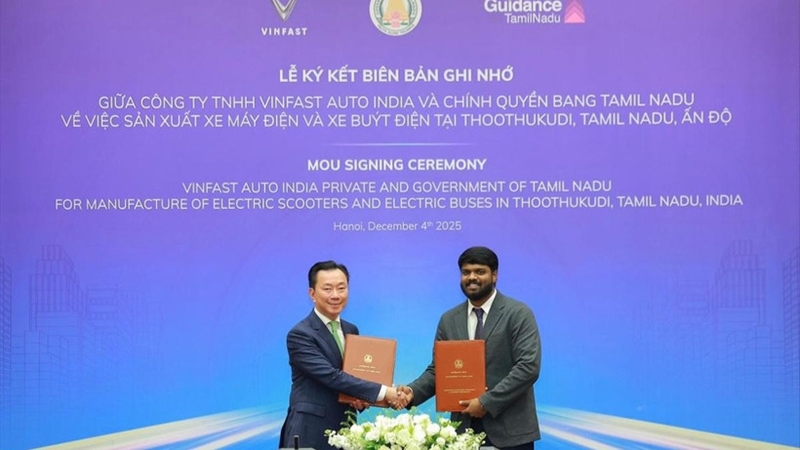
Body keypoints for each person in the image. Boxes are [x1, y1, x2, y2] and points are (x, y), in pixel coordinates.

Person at [399, 246, 542, 449]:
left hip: (511, 433)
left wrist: (486, 402)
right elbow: (439, 370)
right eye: (466, 272)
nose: (472, 277)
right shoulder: (449, 319)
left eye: (479, 271)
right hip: (463, 432)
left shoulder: (518, 313)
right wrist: (412, 392)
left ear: (494, 276)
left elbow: (528, 367)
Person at [280, 260, 402, 450]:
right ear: (312, 293)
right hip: (310, 432)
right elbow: (331, 376)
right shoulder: (300, 334)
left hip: (345, 431)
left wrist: (359, 399)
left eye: (341, 288)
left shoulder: (350, 330)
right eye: (327, 289)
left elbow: (353, 377)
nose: (335, 295)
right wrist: (385, 392)